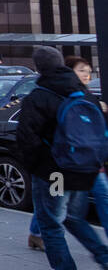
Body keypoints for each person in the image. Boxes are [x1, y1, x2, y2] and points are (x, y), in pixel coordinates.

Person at [18, 46, 108, 270]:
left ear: (38, 68)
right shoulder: (84, 93)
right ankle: (105, 258)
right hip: (85, 170)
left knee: (50, 224)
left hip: (54, 174)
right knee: (74, 218)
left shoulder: (39, 96)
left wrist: (39, 168)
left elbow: (27, 139)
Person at [27, 56, 103, 250]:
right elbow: (32, 134)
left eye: (88, 70)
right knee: (56, 210)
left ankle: (42, 235)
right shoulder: (57, 95)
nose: (86, 74)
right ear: (68, 71)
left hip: (83, 164)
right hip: (59, 169)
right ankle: (40, 236)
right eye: (81, 70)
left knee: (61, 208)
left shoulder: (84, 95)